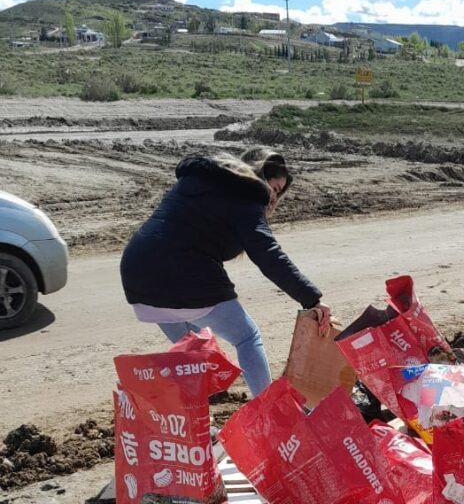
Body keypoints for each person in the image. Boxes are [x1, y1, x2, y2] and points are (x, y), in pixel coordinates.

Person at [120, 147, 331, 397]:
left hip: (138, 274)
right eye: (274, 188)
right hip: (182, 273)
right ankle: (268, 410)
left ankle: (192, 419)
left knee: (193, 348)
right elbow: (268, 253)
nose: (274, 198)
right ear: (260, 175)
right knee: (247, 337)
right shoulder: (246, 195)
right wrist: (312, 299)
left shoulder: (203, 180)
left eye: (279, 193)